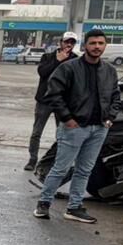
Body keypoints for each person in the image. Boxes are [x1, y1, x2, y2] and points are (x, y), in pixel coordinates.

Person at [33, 30, 121, 224]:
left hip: (98, 128)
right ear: (85, 46)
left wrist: (110, 118)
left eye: (100, 43)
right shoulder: (69, 68)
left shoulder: (109, 71)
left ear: (105, 46)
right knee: (61, 168)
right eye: (93, 43)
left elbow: (115, 96)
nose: (97, 47)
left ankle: (74, 207)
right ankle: (44, 203)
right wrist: (67, 118)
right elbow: (53, 94)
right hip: (74, 127)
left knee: (84, 170)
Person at [27, 34, 76, 171]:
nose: (69, 45)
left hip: (62, 102)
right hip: (44, 100)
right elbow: (43, 73)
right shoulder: (48, 57)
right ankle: (32, 159)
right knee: (37, 131)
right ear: (60, 42)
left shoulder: (75, 60)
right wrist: (57, 61)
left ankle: (56, 161)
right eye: (67, 42)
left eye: (72, 42)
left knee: (61, 134)